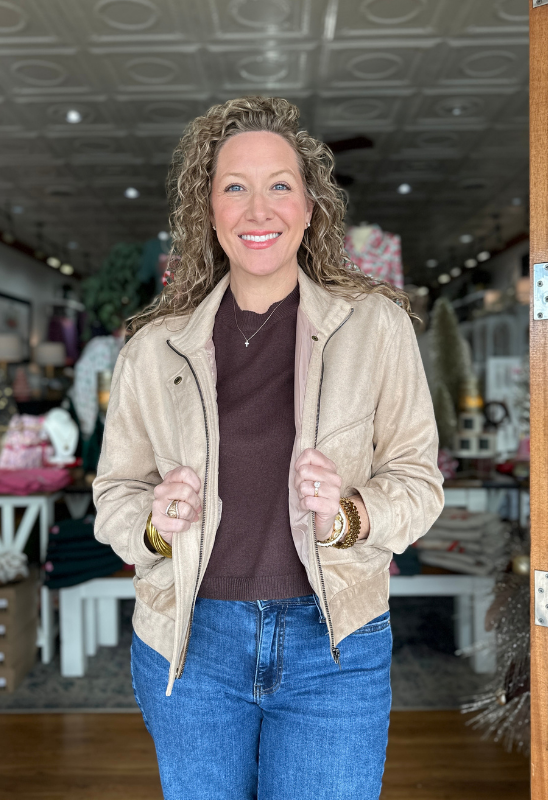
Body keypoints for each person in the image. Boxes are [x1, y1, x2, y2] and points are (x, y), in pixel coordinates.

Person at [93, 96, 444, 800]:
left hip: (334, 643)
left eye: (280, 185)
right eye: (235, 187)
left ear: (311, 207)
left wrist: (348, 515)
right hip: (192, 646)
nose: (259, 210)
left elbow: (418, 481)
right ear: (208, 211)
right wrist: (156, 524)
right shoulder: (152, 350)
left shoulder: (375, 330)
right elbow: (113, 501)